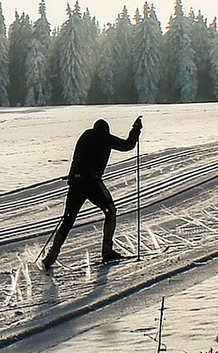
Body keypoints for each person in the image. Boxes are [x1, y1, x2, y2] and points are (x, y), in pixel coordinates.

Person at [39, 115, 142, 270]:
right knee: (111, 211)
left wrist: (73, 175)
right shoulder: (105, 137)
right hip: (92, 183)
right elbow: (127, 145)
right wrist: (136, 130)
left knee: (68, 218)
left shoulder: (85, 136)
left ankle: (51, 255)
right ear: (105, 130)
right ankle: (107, 251)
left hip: (76, 182)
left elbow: (76, 159)